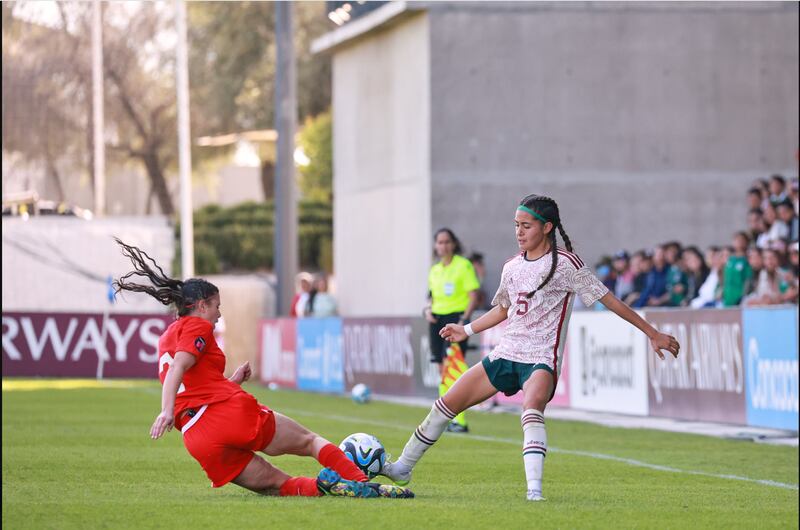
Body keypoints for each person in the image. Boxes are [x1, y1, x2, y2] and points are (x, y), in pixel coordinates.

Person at [380, 195, 680, 501]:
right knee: (446, 405)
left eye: (526, 226)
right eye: (516, 226)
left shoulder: (566, 264)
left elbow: (610, 300)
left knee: (531, 409)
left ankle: (534, 491)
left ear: (547, 227)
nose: (519, 232)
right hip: (505, 354)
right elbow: (502, 309)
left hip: (541, 359)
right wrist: (466, 329)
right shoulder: (511, 266)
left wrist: (651, 333)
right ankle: (403, 466)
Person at [111, 238, 412, 499]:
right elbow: (179, 367)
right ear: (201, 305)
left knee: (276, 486)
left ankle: (326, 488)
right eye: (217, 305)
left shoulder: (167, 335)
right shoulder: (198, 327)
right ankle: (361, 483)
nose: (219, 313)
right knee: (309, 441)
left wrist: (231, 381)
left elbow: (193, 384)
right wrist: (165, 410)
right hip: (227, 415)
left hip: (198, 438)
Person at [424, 228, 480, 433]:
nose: (443, 246)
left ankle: (460, 420)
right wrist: (427, 310)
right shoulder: (435, 269)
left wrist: (464, 320)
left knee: (453, 368)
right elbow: (430, 297)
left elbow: (473, 296)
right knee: (442, 370)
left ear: (454, 244)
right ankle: (446, 417)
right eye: (439, 242)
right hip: (436, 321)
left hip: (455, 320)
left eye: (447, 242)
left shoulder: (463, 265)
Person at [721, 232, 754, 306]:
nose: (738, 242)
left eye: (741, 240)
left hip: (739, 296)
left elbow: (748, 279)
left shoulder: (747, 260)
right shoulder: (730, 259)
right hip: (728, 296)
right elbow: (725, 276)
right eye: (736, 240)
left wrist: (743, 295)